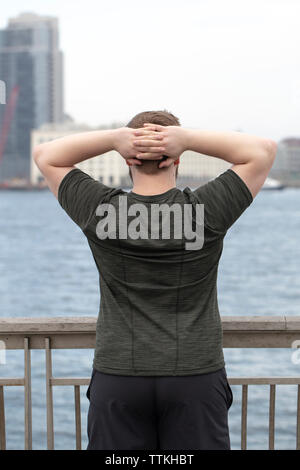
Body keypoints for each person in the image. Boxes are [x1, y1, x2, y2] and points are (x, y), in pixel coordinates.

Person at [33, 110, 277, 450]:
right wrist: (186, 139)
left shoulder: (101, 209)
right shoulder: (205, 209)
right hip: (195, 374)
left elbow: (46, 156)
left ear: (128, 160)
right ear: (175, 160)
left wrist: (115, 138)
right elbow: (262, 151)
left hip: (118, 375)